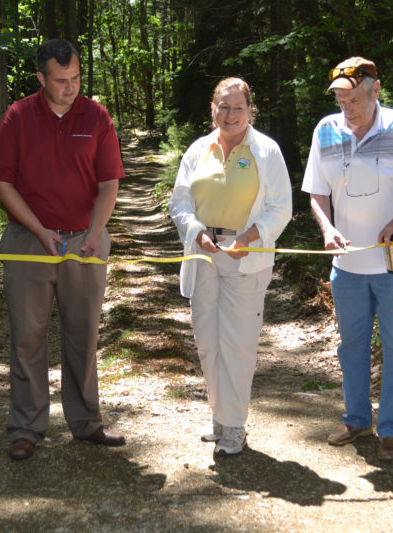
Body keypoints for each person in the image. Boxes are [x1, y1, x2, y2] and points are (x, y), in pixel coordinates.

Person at [301, 57, 393, 460]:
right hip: (346, 266)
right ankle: (356, 418)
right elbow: (316, 191)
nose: (347, 108)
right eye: (340, 99)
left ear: (375, 90)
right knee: (351, 345)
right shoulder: (326, 130)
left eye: (354, 98)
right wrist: (327, 228)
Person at [0, 39, 126, 461]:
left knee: (83, 332)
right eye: (61, 81)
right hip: (29, 240)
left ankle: (86, 422)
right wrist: (40, 229)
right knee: (27, 336)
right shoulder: (19, 116)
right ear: (40, 78)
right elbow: (2, 182)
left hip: (85, 239)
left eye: (77, 78)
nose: (71, 87)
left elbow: (109, 184)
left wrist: (93, 234)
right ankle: (26, 426)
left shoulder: (97, 116)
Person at [169, 77, 292, 456]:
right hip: (203, 255)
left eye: (238, 107)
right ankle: (220, 418)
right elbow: (180, 203)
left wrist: (249, 238)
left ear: (250, 110)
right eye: (224, 106)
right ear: (212, 108)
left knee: (237, 345)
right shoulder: (198, 150)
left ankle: (235, 426)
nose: (230, 114)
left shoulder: (266, 151)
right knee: (208, 344)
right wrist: (197, 234)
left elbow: (280, 208)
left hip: (246, 258)